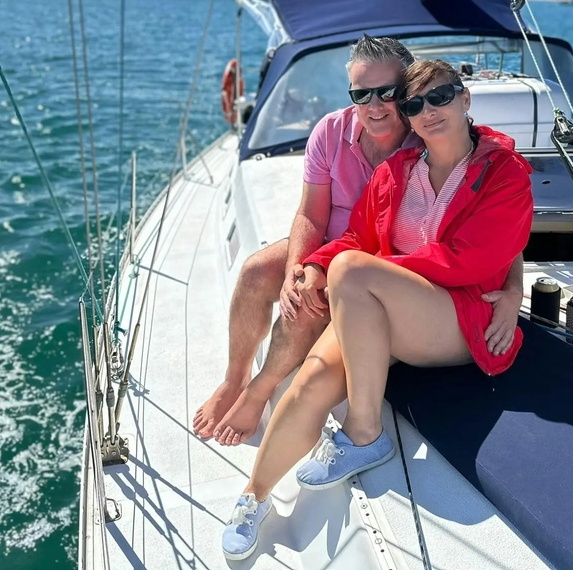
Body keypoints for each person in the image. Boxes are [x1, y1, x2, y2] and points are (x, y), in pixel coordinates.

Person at [221, 59, 535, 561]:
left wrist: (365, 269)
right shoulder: (397, 173)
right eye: (415, 104)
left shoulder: (503, 173)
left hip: (461, 319)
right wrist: (319, 266)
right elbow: (355, 237)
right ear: (408, 118)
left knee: (354, 269)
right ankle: (252, 497)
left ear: (465, 99)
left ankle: (364, 432)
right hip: (385, 309)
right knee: (310, 381)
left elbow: (474, 259)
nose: (428, 111)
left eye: (441, 97)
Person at [193, 37, 525, 448]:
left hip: (385, 265)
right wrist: (299, 268)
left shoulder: (429, 133)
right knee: (258, 271)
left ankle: (258, 391)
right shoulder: (330, 132)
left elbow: (495, 225)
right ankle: (234, 378)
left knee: (320, 300)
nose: (375, 105)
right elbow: (311, 214)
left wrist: (513, 290)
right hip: (337, 246)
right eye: (361, 93)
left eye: (388, 92)